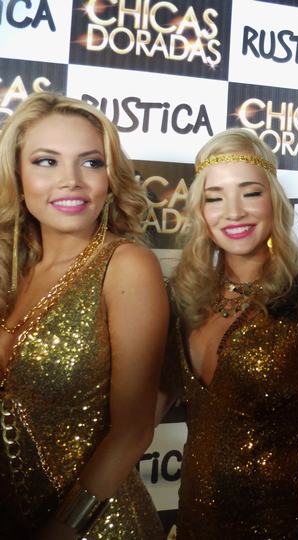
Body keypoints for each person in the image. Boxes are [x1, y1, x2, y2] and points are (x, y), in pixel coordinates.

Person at [158, 127, 298, 539]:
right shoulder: (186, 297)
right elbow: (153, 402)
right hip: (192, 524)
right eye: (215, 197)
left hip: (279, 526)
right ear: (200, 210)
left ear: (274, 201)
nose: (234, 212)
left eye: (250, 193)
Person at [0, 93, 167, 538]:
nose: (71, 181)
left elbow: (133, 431)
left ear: (110, 180)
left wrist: (60, 530)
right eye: (46, 161)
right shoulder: (12, 268)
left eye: (91, 163)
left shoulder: (127, 265)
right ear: (17, 175)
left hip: (98, 528)